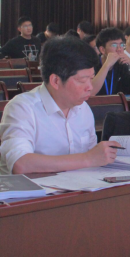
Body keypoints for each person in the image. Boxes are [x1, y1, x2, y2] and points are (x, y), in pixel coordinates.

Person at [0, 37, 122, 175]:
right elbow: (20, 164)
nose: (90, 87)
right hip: (34, 189)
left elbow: (93, 160)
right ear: (55, 81)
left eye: (91, 78)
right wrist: (88, 159)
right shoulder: (22, 108)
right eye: (82, 80)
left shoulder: (83, 109)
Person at [92, 28, 130, 96]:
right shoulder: (92, 65)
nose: (119, 49)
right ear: (102, 50)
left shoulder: (122, 64)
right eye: (114, 45)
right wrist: (107, 65)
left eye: (121, 45)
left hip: (119, 102)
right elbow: (90, 92)